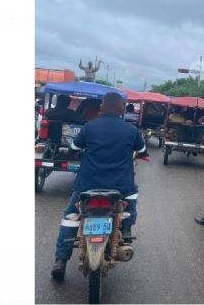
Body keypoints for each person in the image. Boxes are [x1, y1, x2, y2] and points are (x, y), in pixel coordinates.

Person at [50, 92, 147, 281]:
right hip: (120, 187)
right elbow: (142, 150)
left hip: (87, 185)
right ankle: (126, 229)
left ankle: (60, 260)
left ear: (101, 108)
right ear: (121, 110)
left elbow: (75, 148)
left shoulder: (89, 127)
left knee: (70, 217)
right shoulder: (130, 130)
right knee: (132, 198)